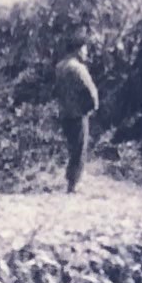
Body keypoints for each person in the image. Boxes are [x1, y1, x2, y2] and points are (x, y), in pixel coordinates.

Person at [53, 33, 99, 193]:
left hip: (64, 112)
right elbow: (90, 90)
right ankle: (73, 184)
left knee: (72, 148)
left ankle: (71, 182)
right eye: (84, 48)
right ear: (78, 49)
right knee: (79, 149)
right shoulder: (78, 68)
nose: (86, 52)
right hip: (78, 113)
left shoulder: (59, 67)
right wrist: (93, 106)